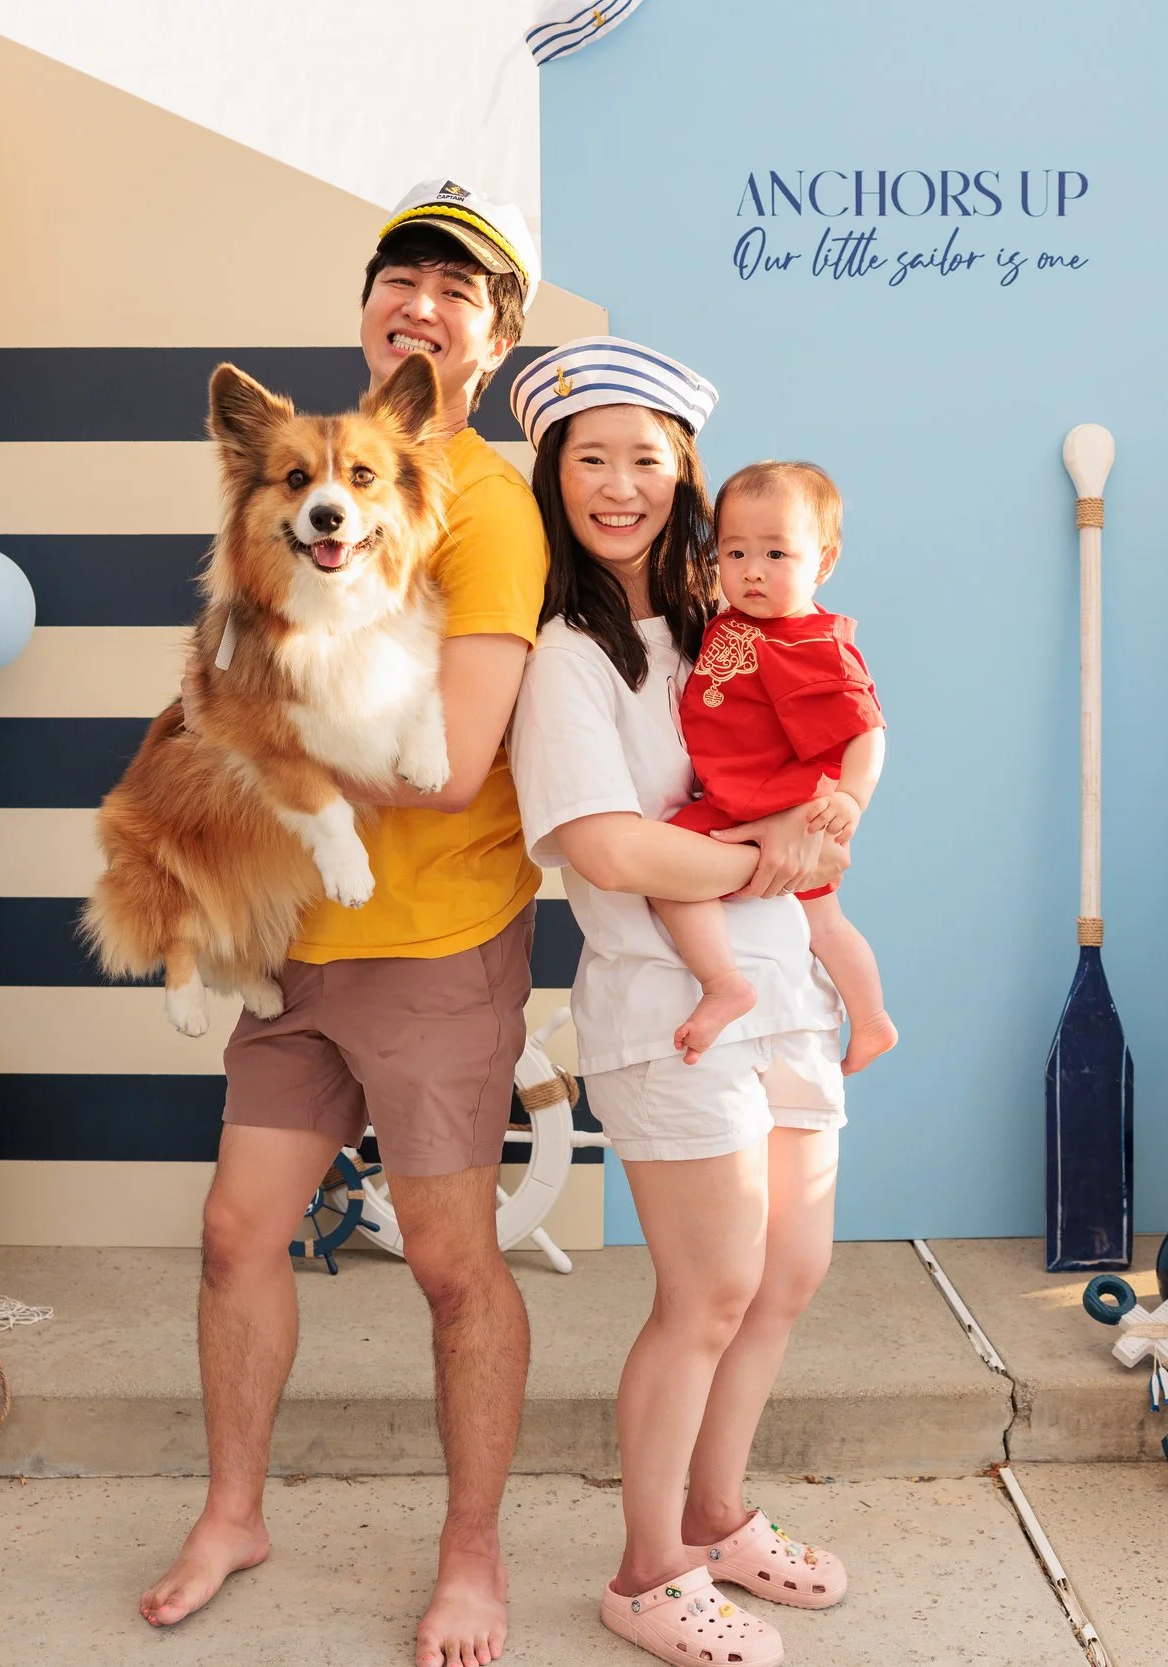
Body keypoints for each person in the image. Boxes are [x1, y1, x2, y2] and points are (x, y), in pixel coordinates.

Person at [139, 180, 549, 1667]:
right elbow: (233, 678)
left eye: (459, 292)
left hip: (429, 944)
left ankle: (473, 1553)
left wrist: (246, 750)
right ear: (372, 315)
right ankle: (234, 1507)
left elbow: (446, 769)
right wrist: (224, 746)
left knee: (450, 1261)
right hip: (291, 941)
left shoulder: (484, 512)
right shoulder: (317, 476)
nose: (423, 303)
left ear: (488, 344)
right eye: (403, 279)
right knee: (237, 1229)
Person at [506, 338, 854, 1667]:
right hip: (667, 1004)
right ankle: (648, 1571)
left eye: (644, 457)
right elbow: (607, 847)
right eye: (590, 457)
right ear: (556, 477)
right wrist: (772, 856)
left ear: (686, 472)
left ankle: (716, 1514)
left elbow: (826, 761)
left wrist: (822, 840)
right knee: (708, 1287)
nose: (618, 483)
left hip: (790, 986)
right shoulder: (568, 659)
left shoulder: (738, 625)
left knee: (787, 1272)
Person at [652, 460, 895, 1074]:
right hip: (743, 797)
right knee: (823, 922)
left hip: (774, 806)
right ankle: (870, 1021)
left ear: (825, 560)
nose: (753, 571)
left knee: (668, 871)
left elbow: (867, 730)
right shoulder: (734, 618)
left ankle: (729, 983)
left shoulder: (815, 646)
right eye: (735, 553)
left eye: (777, 554)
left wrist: (853, 799)